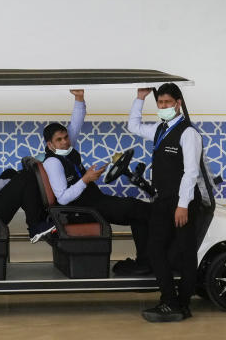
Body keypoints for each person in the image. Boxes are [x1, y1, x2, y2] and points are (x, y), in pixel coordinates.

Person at [127, 84, 213, 323]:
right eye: (160, 103)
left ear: (178, 103)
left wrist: (183, 204)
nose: (163, 107)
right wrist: (140, 98)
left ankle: (181, 305)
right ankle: (171, 302)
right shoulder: (160, 129)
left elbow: (191, 172)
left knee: (186, 253)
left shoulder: (188, 133)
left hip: (181, 201)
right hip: (163, 199)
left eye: (167, 102)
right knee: (155, 249)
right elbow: (133, 126)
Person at [42, 90, 151, 276]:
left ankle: (147, 260)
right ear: (50, 145)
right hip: (85, 210)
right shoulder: (52, 162)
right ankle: (146, 262)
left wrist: (79, 99)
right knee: (138, 209)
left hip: (96, 201)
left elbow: (76, 123)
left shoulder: (68, 150)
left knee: (141, 211)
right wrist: (86, 180)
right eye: (59, 140)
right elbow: (63, 198)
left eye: (65, 137)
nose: (65, 142)